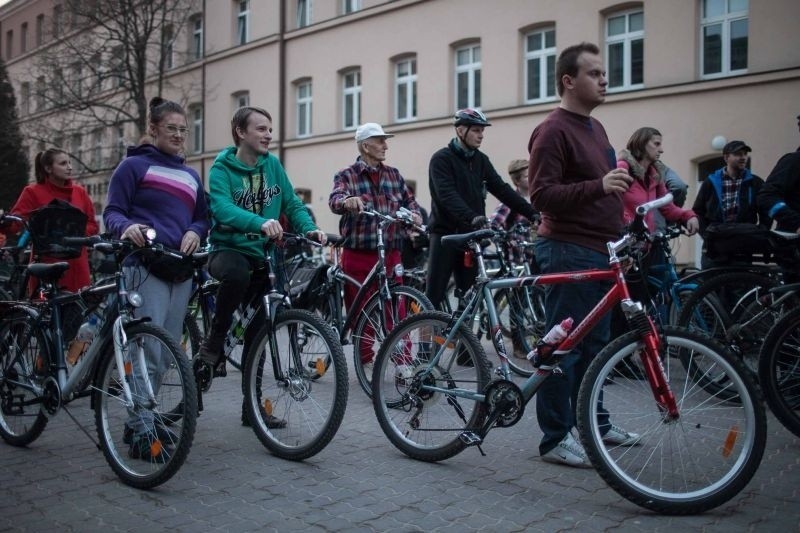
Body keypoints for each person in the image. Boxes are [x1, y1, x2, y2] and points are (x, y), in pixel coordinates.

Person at [528, 42, 639, 468]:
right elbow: (542, 195)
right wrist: (599, 186)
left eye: (604, 72)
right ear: (568, 81)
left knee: (596, 347)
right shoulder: (553, 130)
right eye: (594, 73)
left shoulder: (598, 130)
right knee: (565, 347)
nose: (604, 79)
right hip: (567, 250)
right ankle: (555, 438)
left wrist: (622, 239)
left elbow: (609, 192)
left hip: (601, 251)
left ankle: (594, 422)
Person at [197, 106, 326, 427]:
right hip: (227, 250)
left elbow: (291, 203)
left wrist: (308, 227)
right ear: (241, 133)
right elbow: (222, 208)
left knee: (261, 329)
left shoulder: (272, 165)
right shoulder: (222, 168)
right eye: (261, 129)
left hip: (263, 255)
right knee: (238, 273)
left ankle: (252, 409)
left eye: (270, 129)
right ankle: (215, 339)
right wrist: (259, 221)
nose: (269, 134)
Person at [104, 97, 209, 461]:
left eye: (184, 130)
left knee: (166, 354)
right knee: (146, 350)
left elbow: (202, 216)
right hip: (144, 266)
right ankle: (141, 428)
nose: (180, 136)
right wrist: (128, 226)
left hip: (180, 269)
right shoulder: (133, 167)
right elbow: (113, 213)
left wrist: (197, 230)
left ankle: (139, 421)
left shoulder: (191, 175)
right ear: (153, 129)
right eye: (172, 129)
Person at [329, 122, 422, 366]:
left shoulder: (394, 174)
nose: (385, 146)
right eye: (380, 141)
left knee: (397, 308)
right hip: (358, 253)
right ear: (365, 145)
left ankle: (403, 363)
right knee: (361, 312)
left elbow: (409, 202)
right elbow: (335, 198)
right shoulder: (346, 175)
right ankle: (366, 361)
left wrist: (415, 215)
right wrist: (347, 200)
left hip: (391, 252)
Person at [426, 109, 537, 313]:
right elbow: (446, 194)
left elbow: (502, 189)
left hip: (471, 237)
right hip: (445, 235)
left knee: (469, 294)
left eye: (482, 130)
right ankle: (426, 344)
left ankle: (463, 343)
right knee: (433, 294)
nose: (481, 135)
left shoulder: (480, 160)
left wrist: (532, 213)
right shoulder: (441, 159)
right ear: (460, 130)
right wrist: (473, 216)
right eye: (476, 130)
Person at [4, 148, 98, 294]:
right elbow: (15, 222)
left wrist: (74, 234)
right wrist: (5, 224)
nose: (69, 167)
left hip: (77, 265)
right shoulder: (32, 192)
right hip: (46, 265)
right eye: (63, 163)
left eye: (70, 162)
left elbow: (92, 224)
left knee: (78, 311)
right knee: (47, 312)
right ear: (48, 168)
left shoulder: (80, 192)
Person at [692, 140, 770, 268]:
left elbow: (765, 210)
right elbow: (698, 210)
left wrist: (762, 230)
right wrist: (706, 235)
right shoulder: (710, 182)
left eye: (745, 154)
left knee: (741, 283)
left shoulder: (755, 182)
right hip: (715, 244)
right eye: (738, 154)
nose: (743, 157)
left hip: (743, 243)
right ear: (726, 157)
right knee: (711, 283)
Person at [489, 158, 539, 358]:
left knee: (537, 298)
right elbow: (494, 223)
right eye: (527, 175)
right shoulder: (511, 201)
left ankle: (537, 338)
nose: (532, 178)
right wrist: (504, 237)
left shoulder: (536, 199)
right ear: (517, 181)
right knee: (518, 303)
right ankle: (519, 345)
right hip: (516, 259)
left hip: (534, 257)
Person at [617, 127, 699, 235]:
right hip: (624, 241)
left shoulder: (655, 174)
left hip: (646, 242)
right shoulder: (623, 167)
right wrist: (630, 224)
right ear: (641, 144)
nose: (661, 150)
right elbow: (611, 203)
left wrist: (688, 216)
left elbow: (667, 207)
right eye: (656, 144)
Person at [400, 181, 429, 270]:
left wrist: (417, 236)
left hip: (414, 255)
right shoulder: (397, 209)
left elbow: (425, 232)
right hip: (400, 251)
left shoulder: (421, 211)